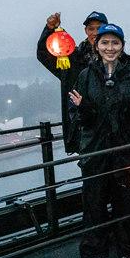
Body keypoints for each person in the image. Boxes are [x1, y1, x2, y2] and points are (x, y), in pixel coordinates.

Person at [68, 23, 130, 258]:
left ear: (122, 46)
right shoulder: (86, 75)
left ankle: (128, 252)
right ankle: (99, 255)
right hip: (96, 151)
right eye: (105, 43)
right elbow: (80, 117)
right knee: (95, 203)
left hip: (124, 149)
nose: (110, 48)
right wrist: (83, 108)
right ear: (97, 46)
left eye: (115, 43)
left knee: (126, 203)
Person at [36, 11, 107, 153]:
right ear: (86, 31)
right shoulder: (72, 59)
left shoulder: (117, 59)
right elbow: (44, 54)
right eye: (91, 28)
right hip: (84, 131)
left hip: (110, 131)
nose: (95, 32)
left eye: (99, 28)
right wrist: (49, 29)